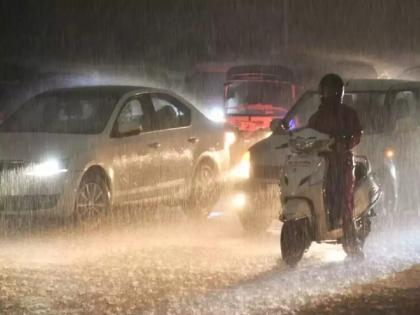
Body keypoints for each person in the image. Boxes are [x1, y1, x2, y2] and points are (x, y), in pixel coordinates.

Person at [308, 73, 363, 257]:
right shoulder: (316, 117)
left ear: (339, 92)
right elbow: (308, 135)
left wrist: (343, 144)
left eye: (332, 90)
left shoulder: (348, 114)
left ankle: (350, 241)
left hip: (341, 163)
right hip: (320, 165)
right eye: (326, 90)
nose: (329, 94)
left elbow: (356, 134)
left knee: (343, 199)